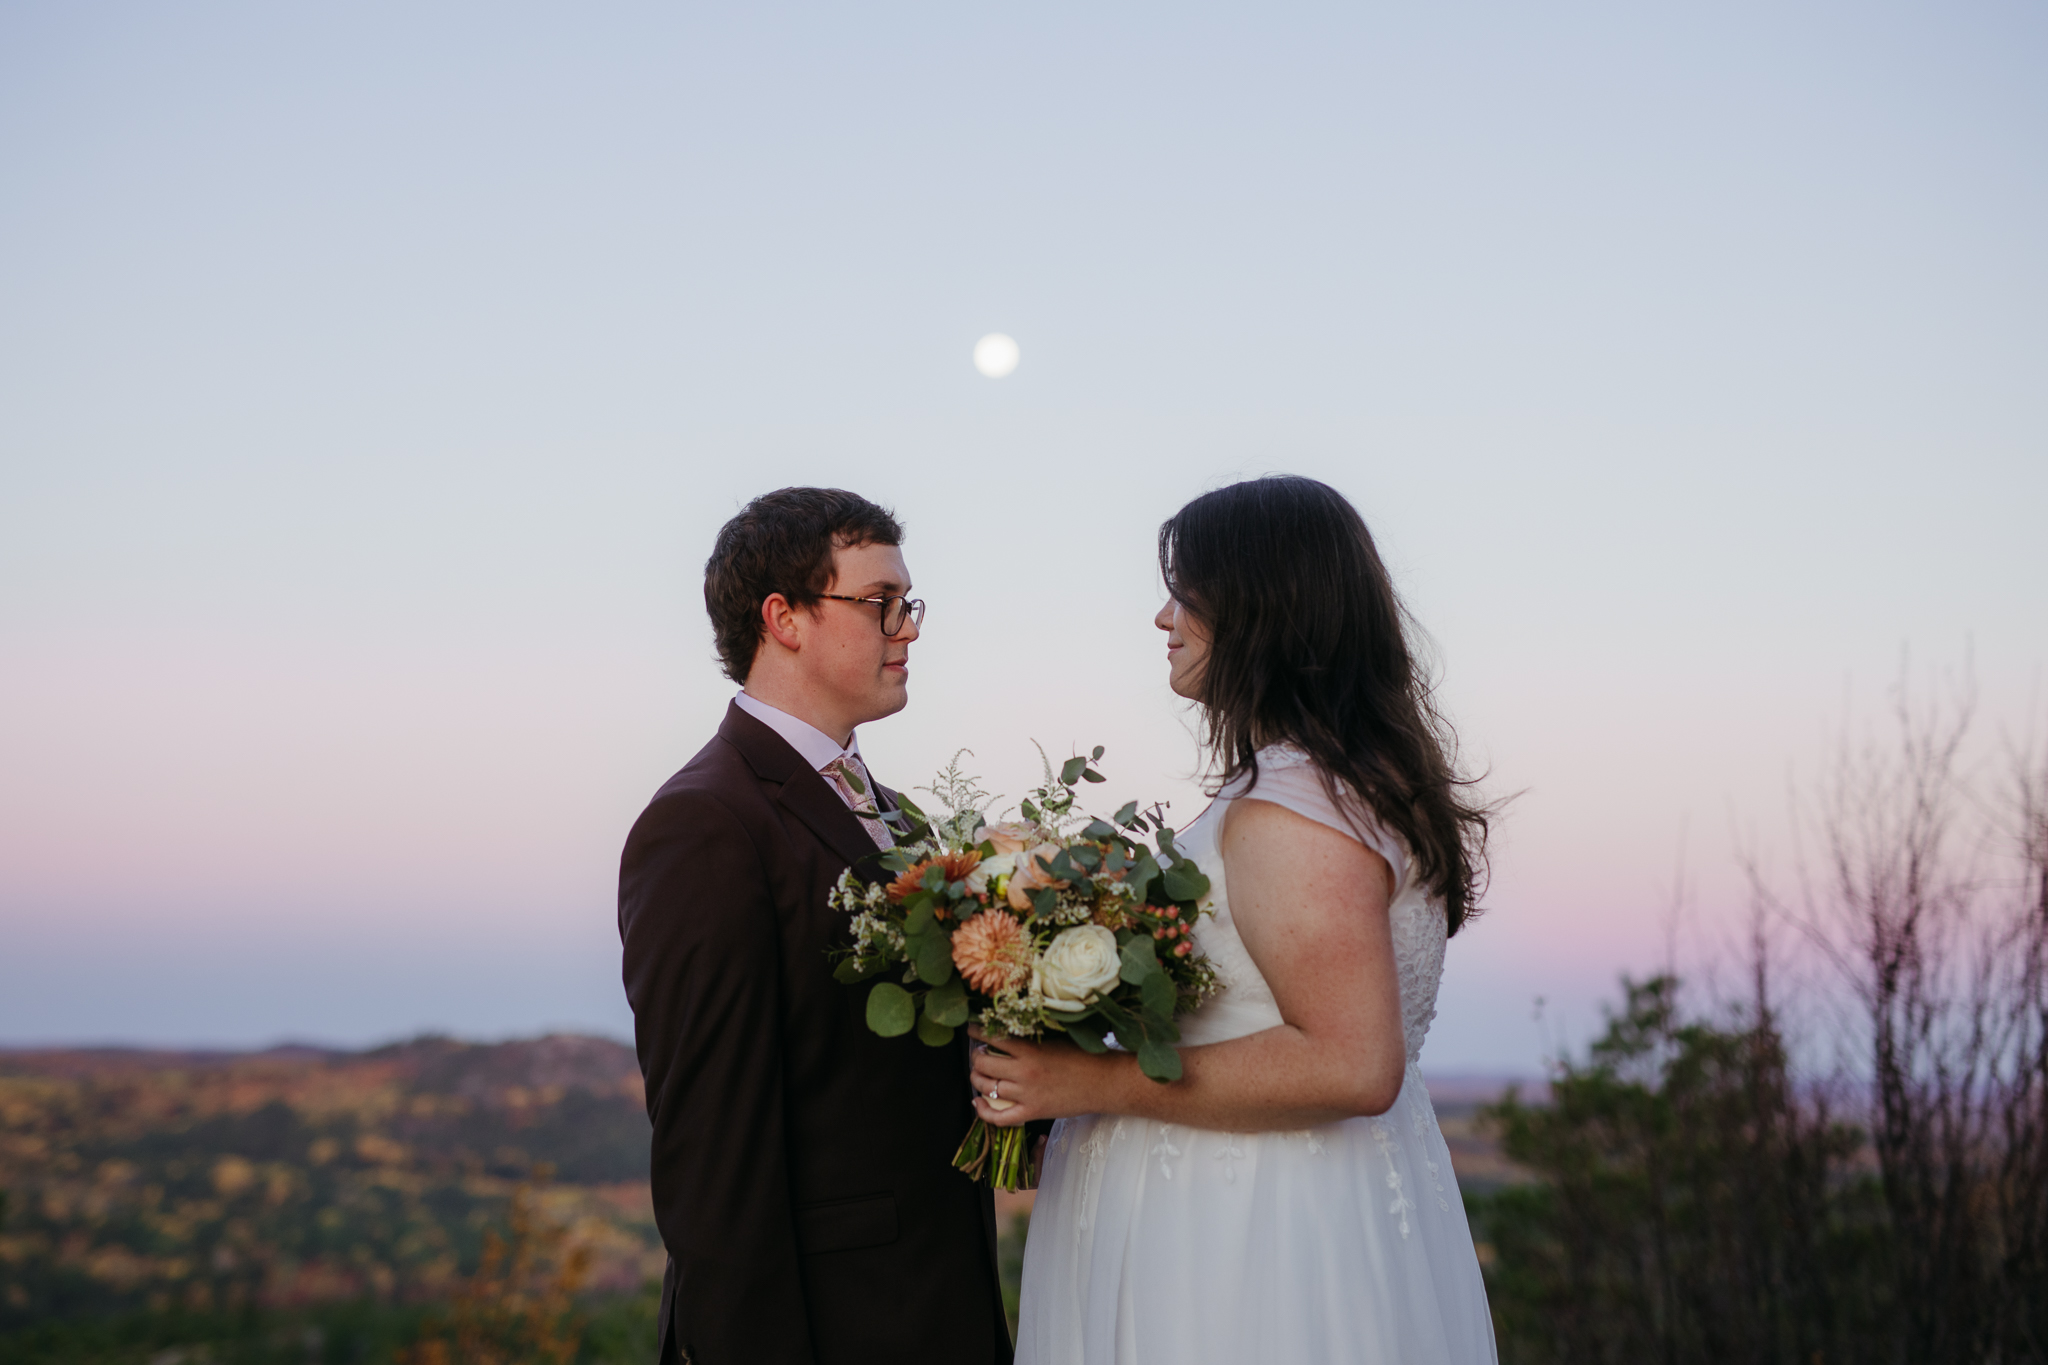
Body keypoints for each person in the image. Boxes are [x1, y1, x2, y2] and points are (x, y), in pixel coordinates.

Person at [970, 476, 1500, 1364]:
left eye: (1186, 592)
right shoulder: (1336, 785)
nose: (1162, 618)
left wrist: (1086, 1082)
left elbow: (1352, 1063)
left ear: (1260, 608)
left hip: (1248, 1227)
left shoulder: (1292, 811)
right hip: (1283, 1195)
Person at [618, 487, 1011, 1365]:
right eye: (881, 604)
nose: (907, 627)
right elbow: (713, 1163)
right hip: (830, 1327)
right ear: (784, 618)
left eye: (908, 604)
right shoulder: (704, 824)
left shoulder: (904, 820)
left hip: (945, 1310)